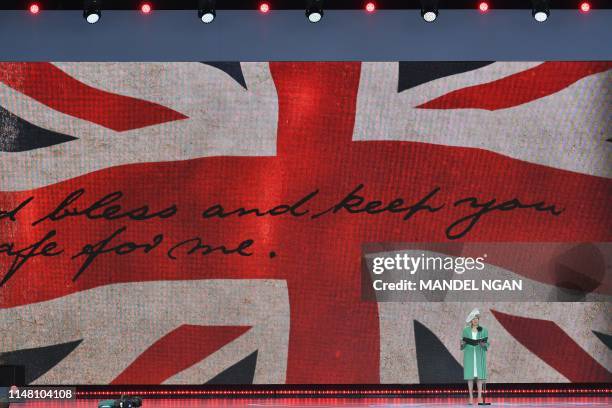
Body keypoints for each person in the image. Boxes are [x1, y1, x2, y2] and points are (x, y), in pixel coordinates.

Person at [460, 308, 489, 405]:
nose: (475, 320)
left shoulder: (483, 330)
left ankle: (480, 397)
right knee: (470, 377)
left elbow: (487, 343)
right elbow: (462, 345)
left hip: (479, 354)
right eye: (473, 318)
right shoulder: (466, 330)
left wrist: (484, 344)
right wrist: (462, 343)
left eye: (477, 318)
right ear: (471, 320)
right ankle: (471, 397)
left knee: (480, 377)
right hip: (469, 354)